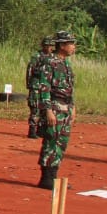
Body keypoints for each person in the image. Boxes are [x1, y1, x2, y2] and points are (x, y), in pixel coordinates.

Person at [35, 30, 77, 190]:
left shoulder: (66, 64)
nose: (73, 47)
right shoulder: (49, 63)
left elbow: (69, 89)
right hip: (54, 107)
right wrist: (48, 110)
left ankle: (53, 175)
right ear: (62, 45)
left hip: (65, 108)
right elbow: (44, 87)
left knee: (61, 143)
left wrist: (72, 107)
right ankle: (46, 178)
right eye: (71, 44)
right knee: (51, 141)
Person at [25, 36, 55, 139]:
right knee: (35, 107)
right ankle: (32, 130)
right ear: (44, 46)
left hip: (47, 86)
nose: (50, 48)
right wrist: (29, 84)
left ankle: (41, 130)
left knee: (45, 108)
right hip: (36, 85)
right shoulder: (37, 56)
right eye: (48, 45)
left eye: (51, 45)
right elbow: (30, 70)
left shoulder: (53, 57)